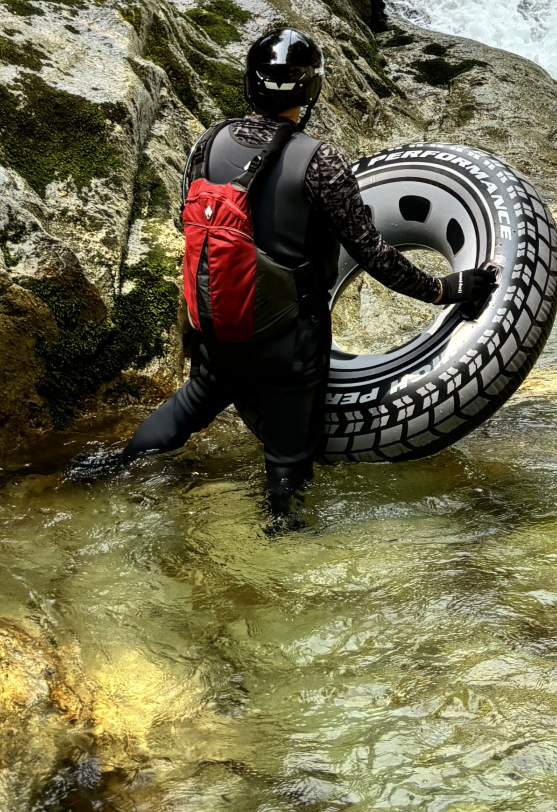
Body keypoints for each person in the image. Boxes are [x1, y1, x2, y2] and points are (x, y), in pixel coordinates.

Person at [110, 28, 499, 532]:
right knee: (289, 464)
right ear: (309, 91)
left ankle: (113, 472)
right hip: (288, 342)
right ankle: (282, 547)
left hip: (219, 325)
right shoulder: (321, 162)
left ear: (250, 84)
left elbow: (195, 235)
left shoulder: (207, 144)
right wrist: (446, 290)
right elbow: (374, 255)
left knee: (188, 408)